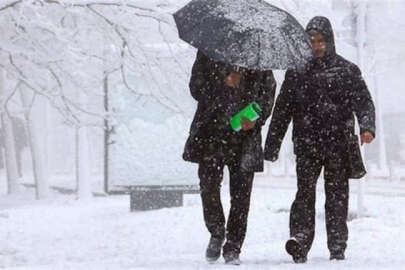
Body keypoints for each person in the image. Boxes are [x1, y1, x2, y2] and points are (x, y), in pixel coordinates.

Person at [264, 16, 376, 263]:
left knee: (336, 196)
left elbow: (363, 101)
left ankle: (337, 246)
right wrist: (272, 145)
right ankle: (300, 241)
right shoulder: (297, 72)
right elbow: (282, 110)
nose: (316, 45)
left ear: (329, 41)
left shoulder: (347, 70)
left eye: (320, 40)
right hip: (307, 144)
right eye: (311, 40)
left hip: (339, 144)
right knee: (304, 193)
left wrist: (367, 126)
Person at [183, 50, 276, 264]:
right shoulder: (210, 50)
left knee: (241, 197)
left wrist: (257, 117)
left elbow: (268, 92)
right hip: (211, 132)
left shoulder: (258, 54)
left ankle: (233, 246)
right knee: (208, 186)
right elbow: (195, 88)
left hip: (245, 136)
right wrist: (222, 82)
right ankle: (217, 231)